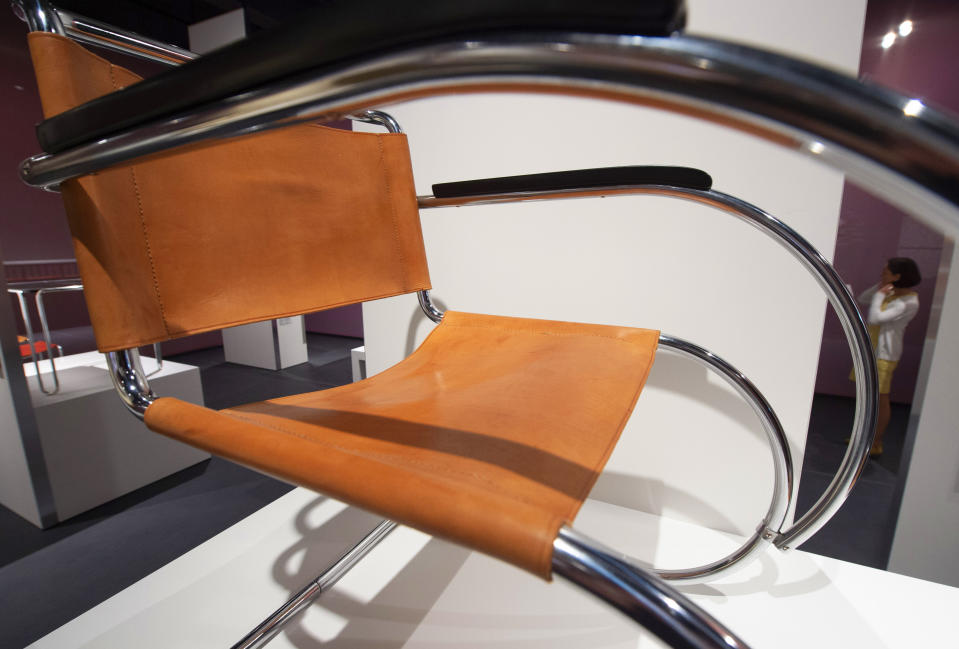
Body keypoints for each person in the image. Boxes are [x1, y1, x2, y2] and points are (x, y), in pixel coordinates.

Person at [855, 257, 921, 457]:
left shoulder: (908, 302)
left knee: (881, 398)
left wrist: (880, 295)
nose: (881, 273)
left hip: (885, 354)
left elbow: (875, 317)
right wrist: (881, 287)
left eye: (886, 271)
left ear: (897, 276)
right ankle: (864, 438)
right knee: (869, 395)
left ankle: (876, 442)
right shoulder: (891, 293)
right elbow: (863, 298)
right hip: (873, 349)